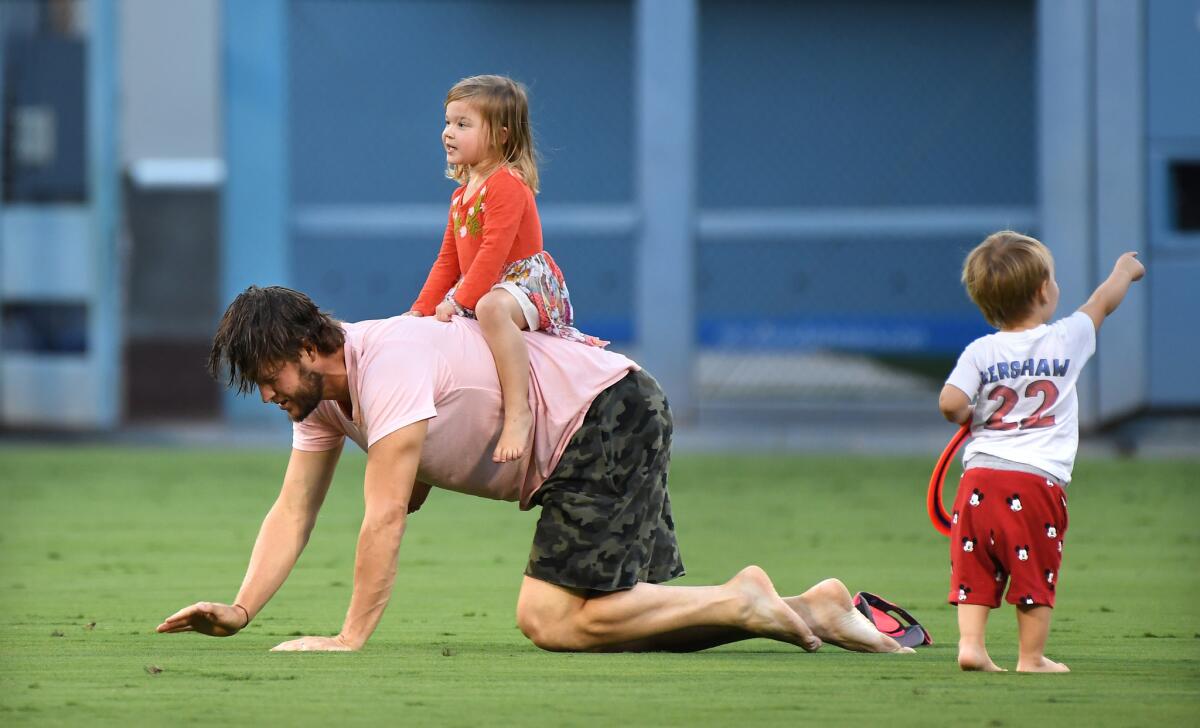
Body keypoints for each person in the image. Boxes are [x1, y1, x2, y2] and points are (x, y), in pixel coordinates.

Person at [157, 285, 911, 656]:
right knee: (604, 619)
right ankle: (804, 609)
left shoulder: (383, 362)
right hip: (599, 425)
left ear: (305, 350)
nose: (264, 395)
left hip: (607, 415)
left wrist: (350, 639)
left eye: (267, 376)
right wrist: (241, 609)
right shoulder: (321, 402)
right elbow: (293, 511)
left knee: (548, 619)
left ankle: (749, 600)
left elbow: (384, 512)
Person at [938, 231, 1145, 672]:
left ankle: (971, 645)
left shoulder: (980, 351)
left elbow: (950, 404)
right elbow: (1102, 302)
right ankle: (1030, 658)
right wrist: (1123, 271)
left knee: (975, 565)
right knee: (1034, 569)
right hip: (1035, 483)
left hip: (978, 479)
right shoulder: (1066, 338)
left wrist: (971, 414)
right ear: (1042, 291)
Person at [408, 74, 603, 465]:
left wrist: (461, 300)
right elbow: (447, 260)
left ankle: (519, 413)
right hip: (483, 282)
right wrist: (421, 308)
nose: (448, 132)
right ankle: (424, 452)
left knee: (490, 309)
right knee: (430, 330)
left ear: (500, 135)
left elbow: (495, 252)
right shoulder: (461, 195)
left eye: (463, 124)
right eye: (447, 122)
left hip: (521, 282)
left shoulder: (507, 185)